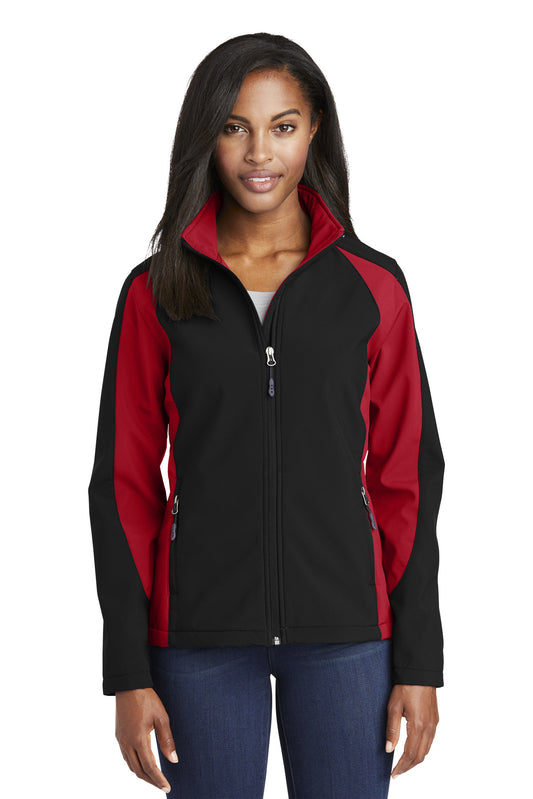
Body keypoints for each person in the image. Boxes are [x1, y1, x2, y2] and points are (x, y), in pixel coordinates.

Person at [88, 31, 445, 799]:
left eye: (282, 126)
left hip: (346, 631)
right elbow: (122, 483)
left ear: (313, 130)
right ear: (206, 136)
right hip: (198, 635)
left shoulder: (371, 286)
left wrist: (419, 659)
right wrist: (127, 669)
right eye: (234, 127)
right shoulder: (156, 291)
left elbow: (408, 476)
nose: (259, 153)